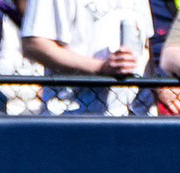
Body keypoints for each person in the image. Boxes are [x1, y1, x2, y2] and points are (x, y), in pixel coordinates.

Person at [21, 0, 154, 115]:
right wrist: (99, 67)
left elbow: (146, 42)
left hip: (137, 112)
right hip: (76, 115)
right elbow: (34, 43)